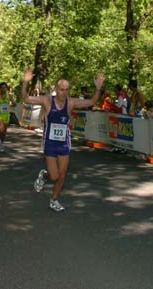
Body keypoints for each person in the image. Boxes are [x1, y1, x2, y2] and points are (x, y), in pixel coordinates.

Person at [22, 67, 104, 212]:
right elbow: (25, 99)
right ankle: (44, 175)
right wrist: (25, 82)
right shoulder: (47, 101)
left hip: (64, 142)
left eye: (67, 89)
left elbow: (91, 102)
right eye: (61, 89)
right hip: (49, 142)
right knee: (54, 176)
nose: (64, 92)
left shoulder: (71, 103)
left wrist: (98, 88)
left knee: (62, 174)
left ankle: (54, 200)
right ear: (56, 89)